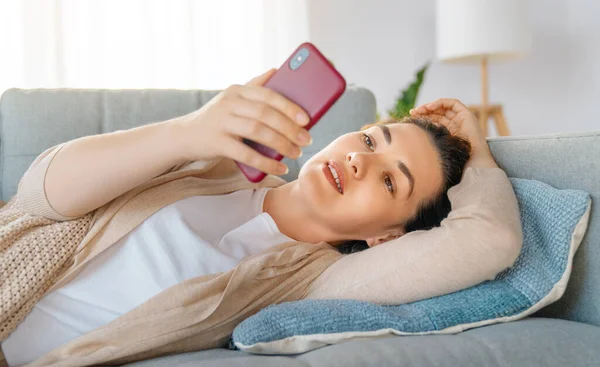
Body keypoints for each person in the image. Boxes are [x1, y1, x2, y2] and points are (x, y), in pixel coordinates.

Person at [0, 69, 522, 366]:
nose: (362, 160)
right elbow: (38, 199)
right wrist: (189, 132)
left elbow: (488, 239)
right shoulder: (217, 161)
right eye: (369, 140)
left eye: (390, 181)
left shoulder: (315, 282)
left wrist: (477, 153)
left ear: (386, 236)